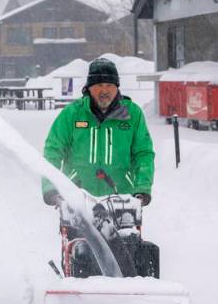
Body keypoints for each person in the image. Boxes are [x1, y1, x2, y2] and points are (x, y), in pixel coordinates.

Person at [42, 57, 155, 206]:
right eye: (99, 85)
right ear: (89, 87)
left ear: (117, 87)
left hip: (122, 199)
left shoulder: (132, 114)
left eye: (109, 85)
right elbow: (53, 150)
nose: (105, 90)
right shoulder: (73, 114)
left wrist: (142, 187)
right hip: (77, 198)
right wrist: (51, 187)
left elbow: (143, 153)